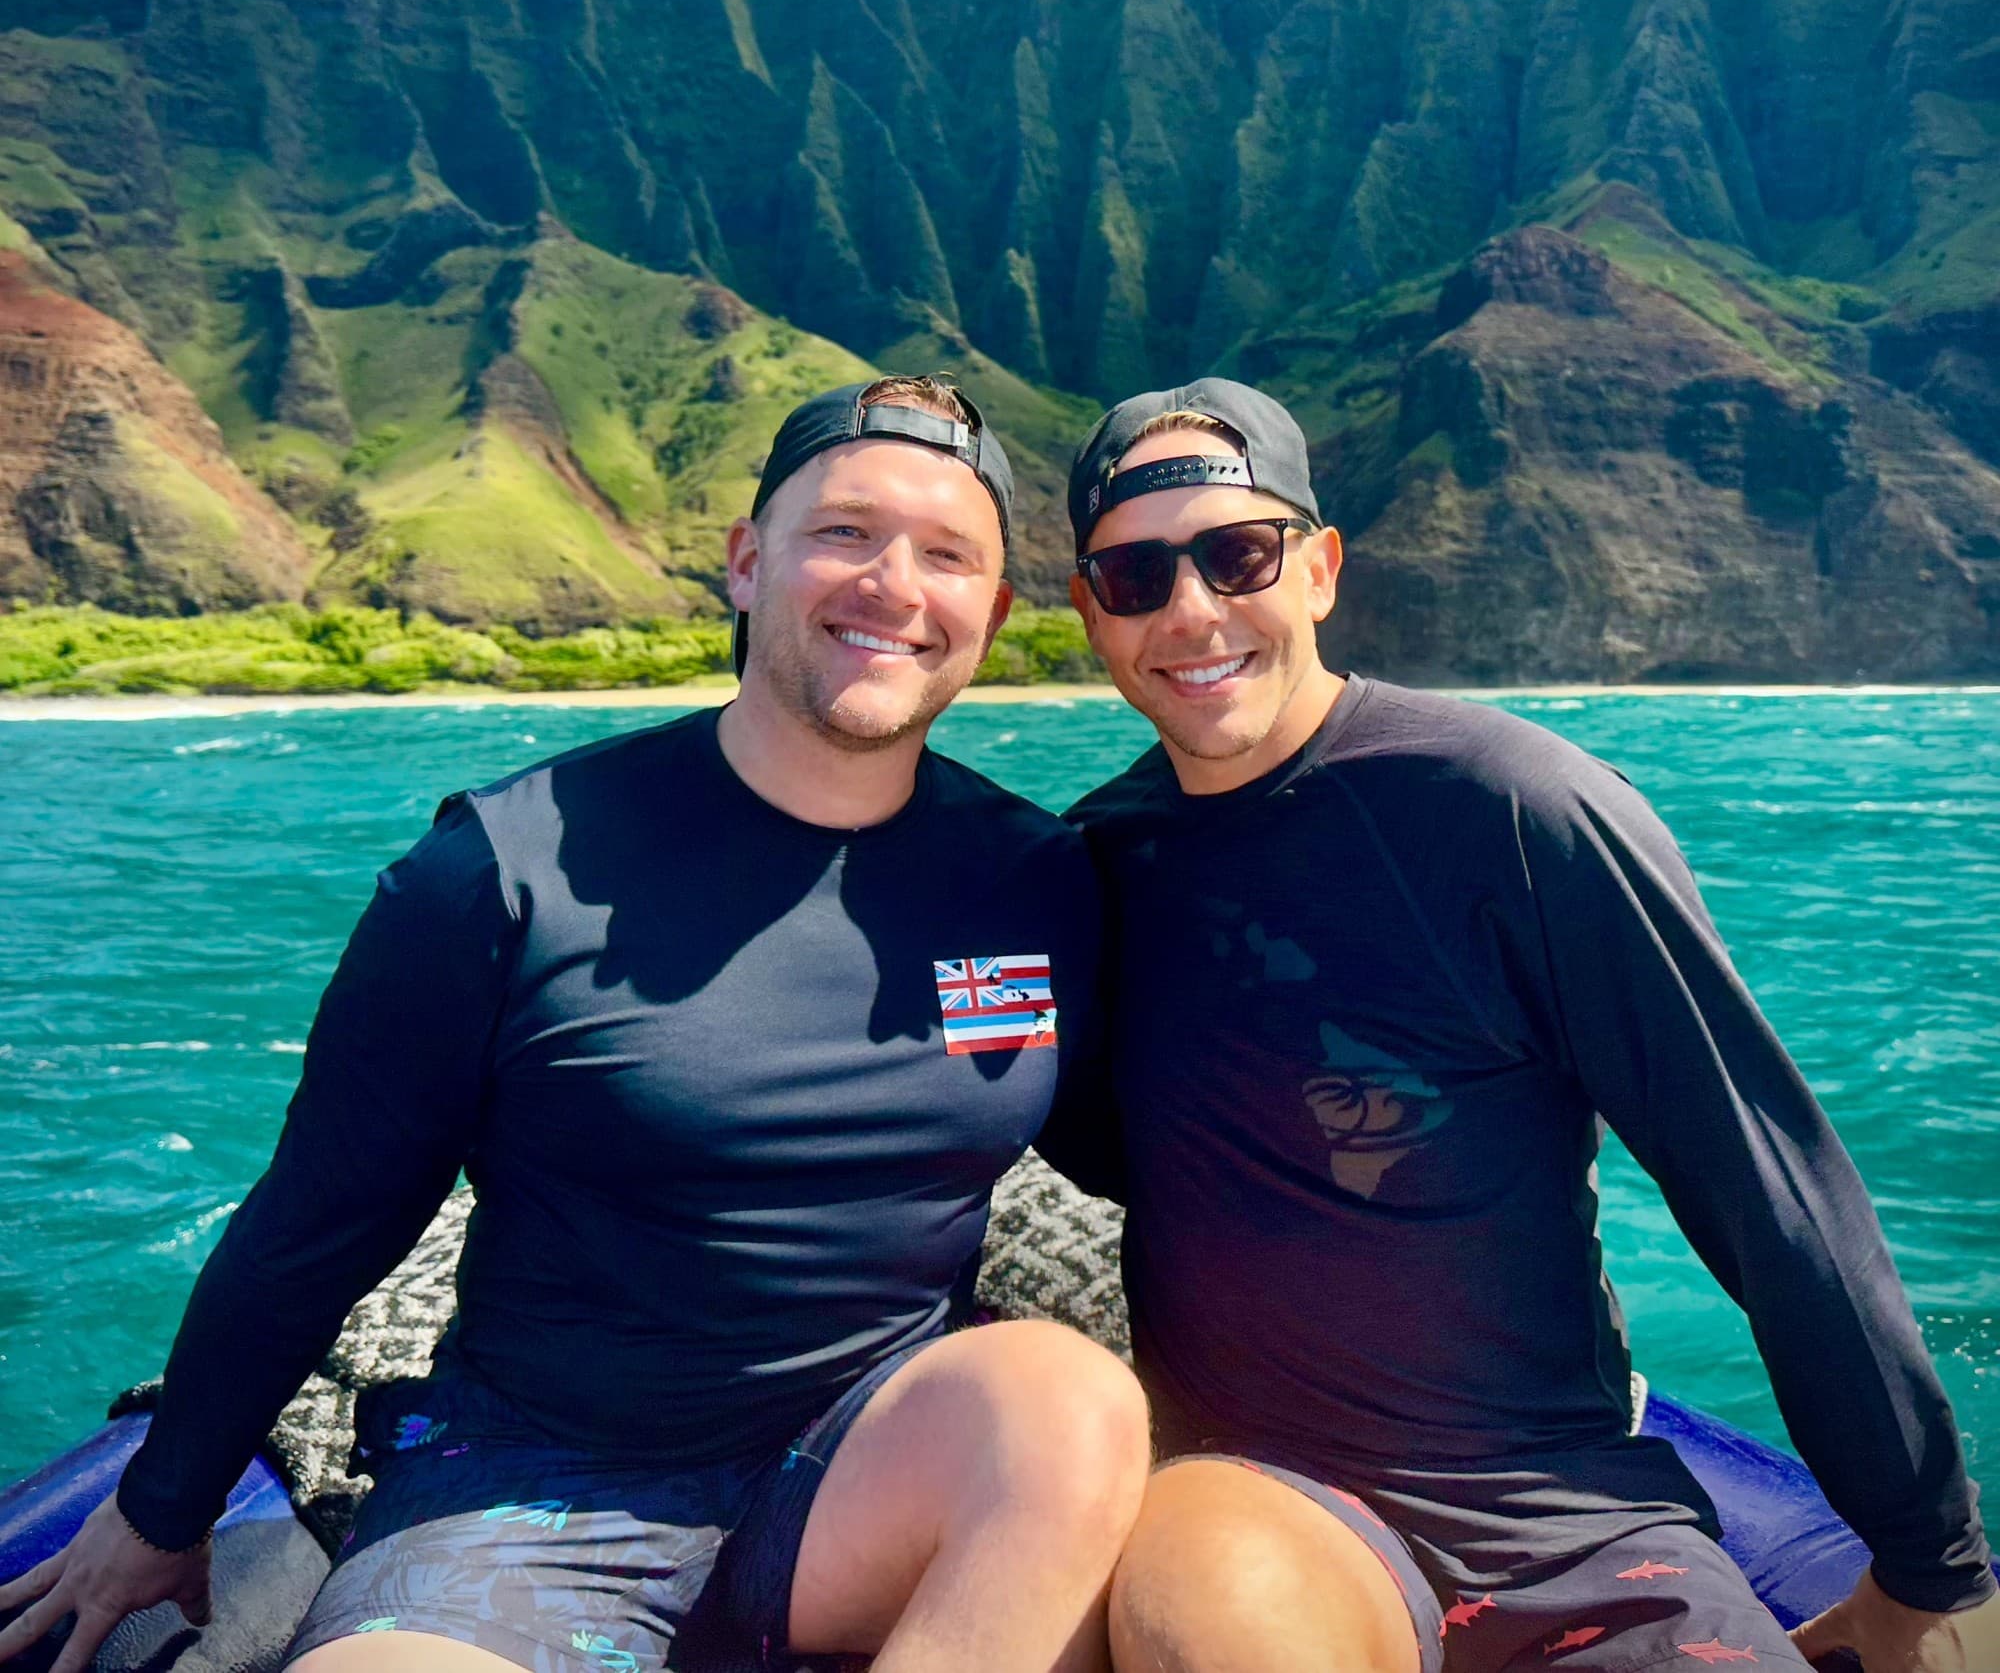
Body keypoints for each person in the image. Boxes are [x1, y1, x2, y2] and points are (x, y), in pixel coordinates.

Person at [0, 375, 1148, 1673]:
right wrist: (163, 1506)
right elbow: (319, 1219)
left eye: (947, 555)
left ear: (991, 613)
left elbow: (1147, 1146)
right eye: (844, 532)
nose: (893, 581)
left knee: (1067, 1402)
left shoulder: (1037, 879)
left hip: (849, 1481)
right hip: (526, 1496)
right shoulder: (502, 869)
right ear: (746, 559)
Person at [1057, 377, 1997, 1673]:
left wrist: (1924, 1554)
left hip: (1570, 1513)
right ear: (1089, 612)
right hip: (1269, 1517)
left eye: (1238, 554)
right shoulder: (1097, 865)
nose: (1193, 609)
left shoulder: (1517, 809)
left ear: (1320, 566)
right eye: (1136, 574)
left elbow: (1765, 1188)